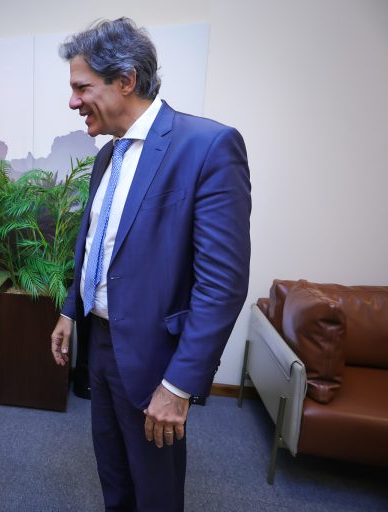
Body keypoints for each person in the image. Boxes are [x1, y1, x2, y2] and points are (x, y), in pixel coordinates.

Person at [50, 18, 251, 511]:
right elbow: (97, 242)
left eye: (82, 87)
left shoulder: (207, 147)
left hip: (157, 359)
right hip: (100, 347)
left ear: (126, 80)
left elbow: (221, 286)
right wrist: (71, 311)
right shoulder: (106, 157)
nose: (73, 101)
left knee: (155, 492)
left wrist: (179, 384)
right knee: (114, 478)